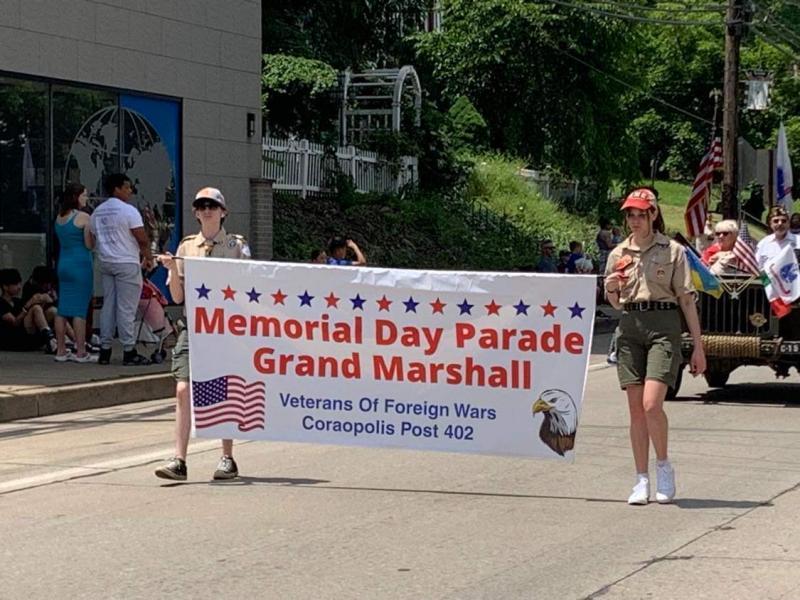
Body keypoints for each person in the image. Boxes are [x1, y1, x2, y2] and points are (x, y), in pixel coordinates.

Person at [604, 187, 705, 506]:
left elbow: (686, 300)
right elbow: (617, 305)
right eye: (630, 215)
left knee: (651, 404)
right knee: (635, 409)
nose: (634, 220)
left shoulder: (672, 250)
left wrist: (698, 347)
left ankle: (663, 466)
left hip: (664, 325)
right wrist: (610, 291)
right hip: (631, 326)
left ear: (653, 215)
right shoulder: (618, 253)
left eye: (640, 214)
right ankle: (640, 479)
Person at [154, 187, 251, 482]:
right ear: (195, 213)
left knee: (222, 391)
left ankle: (227, 457)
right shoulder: (186, 248)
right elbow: (178, 297)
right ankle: (179, 461)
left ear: (223, 212)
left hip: (223, 328)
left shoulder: (236, 245)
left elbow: (248, 284)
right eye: (201, 206)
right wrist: (172, 270)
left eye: (212, 205)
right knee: (183, 390)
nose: (207, 210)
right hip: (193, 327)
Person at [88, 173, 153, 366]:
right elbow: (141, 238)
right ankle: (128, 350)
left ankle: (105, 350)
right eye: (127, 187)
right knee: (127, 307)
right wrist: (148, 257)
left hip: (106, 261)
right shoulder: (128, 211)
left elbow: (91, 239)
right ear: (117, 189)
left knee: (108, 305)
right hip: (126, 262)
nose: (130, 190)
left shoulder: (97, 212)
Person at [53, 183, 97, 363]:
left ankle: (61, 350)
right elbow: (88, 244)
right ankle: (81, 351)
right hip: (81, 264)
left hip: (64, 263)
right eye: (84, 195)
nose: (86, 198)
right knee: (80, 309)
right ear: (76, 196)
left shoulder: (59, 218)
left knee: (62, 309)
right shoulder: (84, 217)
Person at [0, 268, 57, 351]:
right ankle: (50, 340)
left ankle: (71, 339)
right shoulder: (1, 303)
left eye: (20, 284)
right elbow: (15, 323)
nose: (19, 287)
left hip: (28, 335)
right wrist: (29, 304)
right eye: (16, 284)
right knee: (36, 308)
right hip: (13, 339)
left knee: (53, 311)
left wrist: (46, 300)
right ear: (5, 287)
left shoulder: (17, 301)